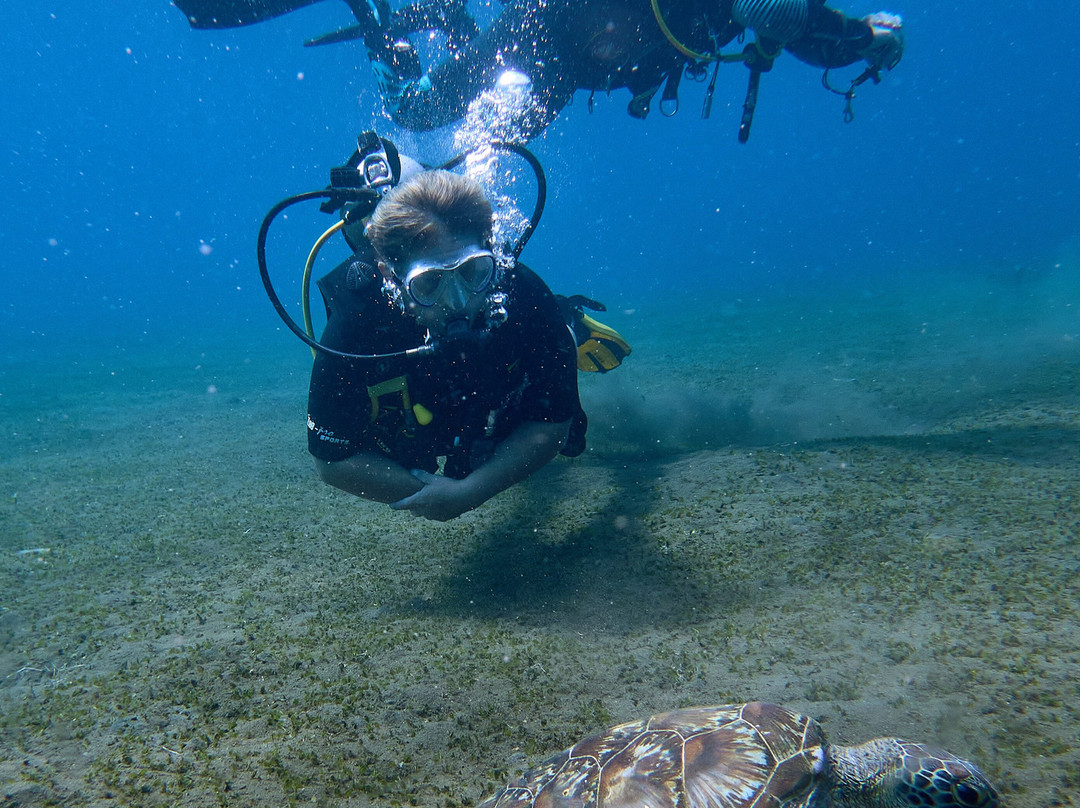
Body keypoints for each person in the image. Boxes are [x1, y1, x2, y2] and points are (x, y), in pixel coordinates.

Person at [174, 0, 904, 141]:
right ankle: (389, 33)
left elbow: (792, 24)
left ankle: (444, 15)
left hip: (589, 70)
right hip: (544, 31)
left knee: (499, 141)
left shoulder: (747, 9)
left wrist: (866, 39)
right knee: (422, 110)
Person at [305, 168, 590, 521]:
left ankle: (572, 325)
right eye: (429, 284)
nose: (457, 302)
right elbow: (332, 461)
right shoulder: (358, 320)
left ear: (491, 254)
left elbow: (553, 424)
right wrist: (433, 496)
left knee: (573, 436)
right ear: (389, 275)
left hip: (500, 385)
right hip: (423, 404)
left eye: (473, 272)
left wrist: (472, 490)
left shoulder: (520, 291)